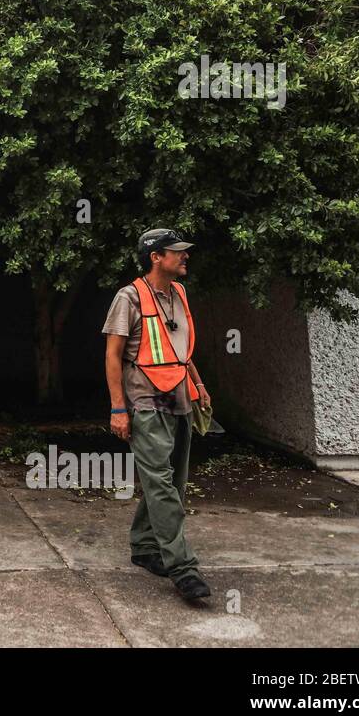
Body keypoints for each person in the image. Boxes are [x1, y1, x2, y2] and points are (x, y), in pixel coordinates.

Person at [102, 228, 212, 602]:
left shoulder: (178, 293)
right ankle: (183, 568)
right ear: (155, 257)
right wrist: (119, 409)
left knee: (173, 483)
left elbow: (179, 348)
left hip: (179, 397)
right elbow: (113, 356)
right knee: (162, 485)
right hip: (146, 401)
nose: (185, 257)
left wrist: (198, 385)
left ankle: (145, 547)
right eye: (177, 252)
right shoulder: (128, 297)